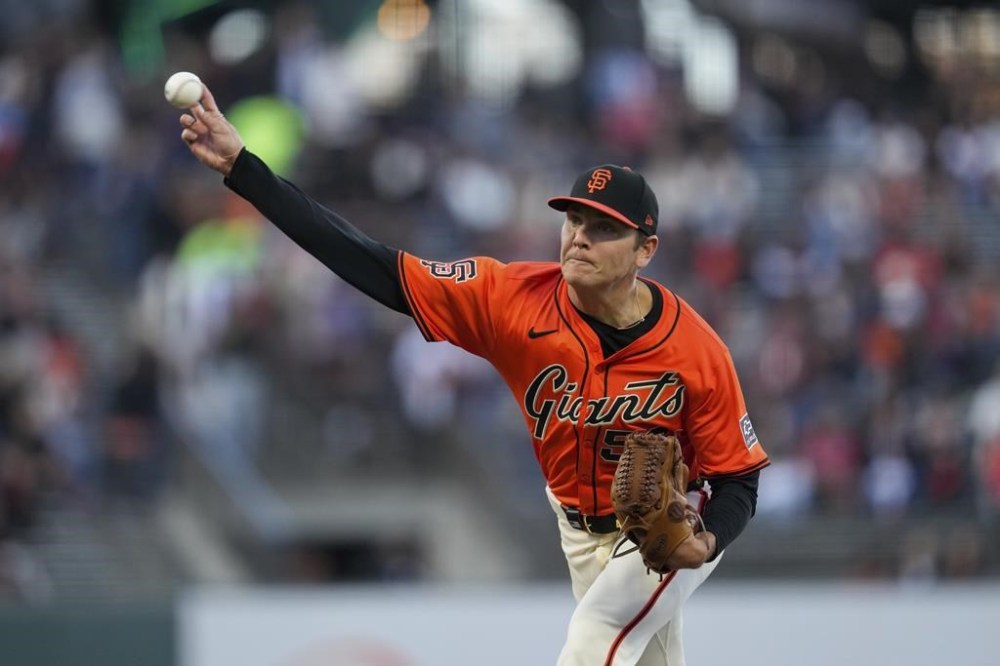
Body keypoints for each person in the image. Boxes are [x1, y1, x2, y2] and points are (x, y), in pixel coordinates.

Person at [177, 85, 769, 665]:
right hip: (575, 529)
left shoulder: (695, 349)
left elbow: (739, 477)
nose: (581, 236)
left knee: (593, 639)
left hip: (660, 535)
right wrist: (243, 169)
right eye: (575, 220)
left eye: (605, 228)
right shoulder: (512, 300)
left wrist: (707, 539)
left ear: (646, 250)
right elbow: (372, 263)